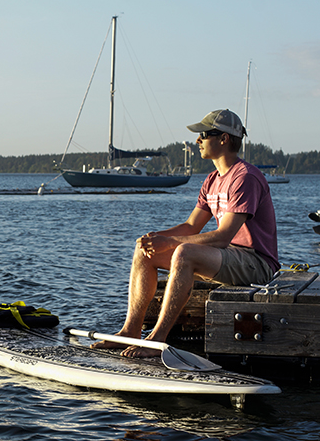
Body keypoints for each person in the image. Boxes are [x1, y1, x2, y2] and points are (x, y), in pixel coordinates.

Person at [92, 109, 279, 358]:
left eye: (203, 134)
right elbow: (191, 226)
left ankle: (157, 339)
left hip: (256, 263)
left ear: (223, 138)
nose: (197, 140)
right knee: (143, 251)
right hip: (226, 258)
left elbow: (223, 237)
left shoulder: (245, 178)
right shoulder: (212, 179)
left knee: (184, 252)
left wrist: (169, 242)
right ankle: (130, 331)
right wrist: (154, 238)